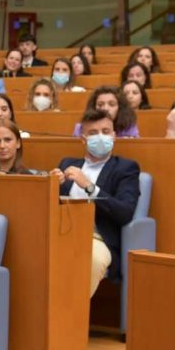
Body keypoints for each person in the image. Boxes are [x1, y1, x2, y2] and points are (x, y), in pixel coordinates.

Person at [50, 109, 141, 297]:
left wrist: (89, 186)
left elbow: (125, 212)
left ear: (114, 136)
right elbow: (49, 206)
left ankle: (70, 319)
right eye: (93, 133)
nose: (101, 137)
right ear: (83, 139)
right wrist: (49, 186)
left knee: (91, 260)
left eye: (106, 132)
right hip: (60, 234)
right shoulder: (67, 163)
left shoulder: (126, 168)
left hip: (98, 239)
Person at [73, 86, 139, 138]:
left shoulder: (129, 127)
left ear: (120, 108)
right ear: (93, 107)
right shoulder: (80, 128)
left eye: (111, 104)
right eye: (100, 105)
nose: (105, 108)